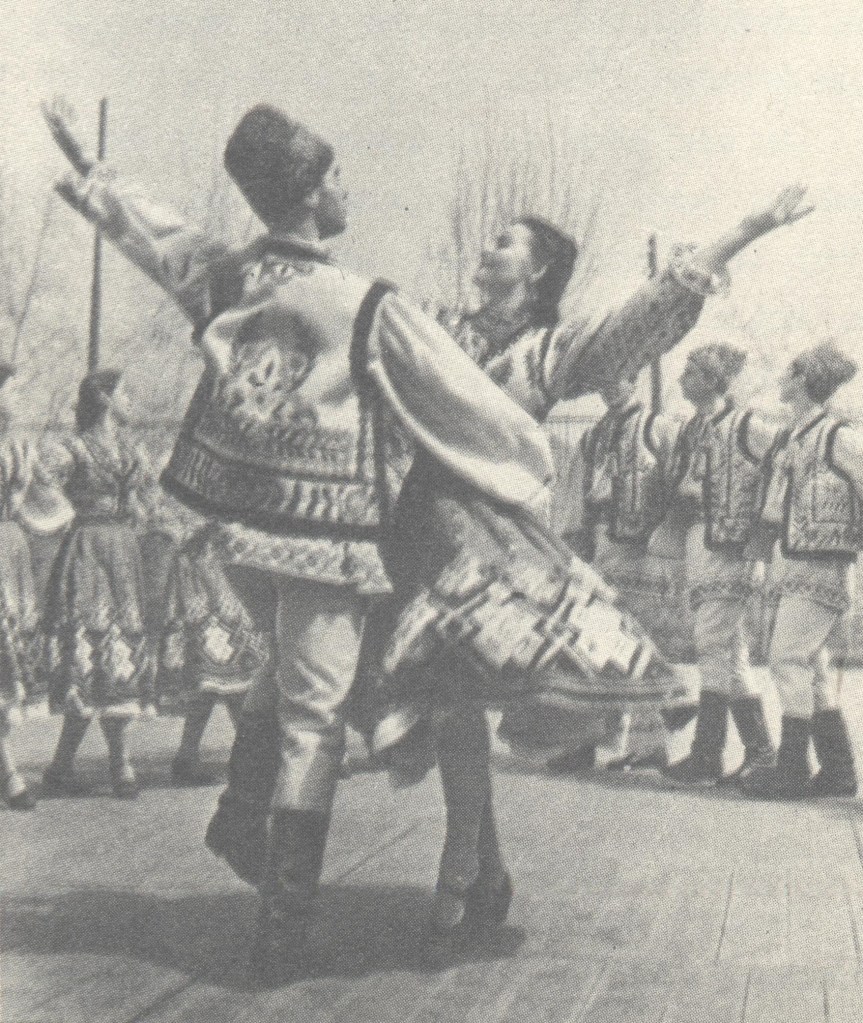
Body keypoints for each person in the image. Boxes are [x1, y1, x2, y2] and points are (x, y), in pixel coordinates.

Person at [42, 98, 556, 981]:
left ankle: (242, 821)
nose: (348, 189)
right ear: (313, 192)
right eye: (339, 176)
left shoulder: (232, 276)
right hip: (324, 542)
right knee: (314, 722)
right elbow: (467, 401)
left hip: (238, 531)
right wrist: (526, 469)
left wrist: (95, 176)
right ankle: (280, 927)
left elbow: (158, 238)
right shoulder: (366, 303)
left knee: (281, 675)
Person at [373, 192, 813, 938]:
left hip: (487, 543)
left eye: (505, 243)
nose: (487, 250)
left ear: (537, 271)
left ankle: (462, 860)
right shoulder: (434, 328)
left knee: (458, 700)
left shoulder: (548, 352)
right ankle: (483, 868)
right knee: (440, 704)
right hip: (409, 533)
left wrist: (749, 226)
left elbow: (642, 313)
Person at [545, 371, 690, 774]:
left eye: (620, 377)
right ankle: (587, 741)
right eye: (605, 380)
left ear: (636, 379)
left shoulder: (659, 428)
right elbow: (575, 496)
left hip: (647, 551)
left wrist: (669, 544)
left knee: (642, 645)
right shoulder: (593, 437)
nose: (611, 386)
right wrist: (575, 545)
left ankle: (650, 744)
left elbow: (681, 489)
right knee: (597, 643)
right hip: (603, 546)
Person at [657, 345, 782, 786]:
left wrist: (762, 537)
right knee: (728, 650)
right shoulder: (691, 427)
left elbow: (785, 465)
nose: (681, 380)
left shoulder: (748, 425)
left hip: (732, 547)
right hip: (699, 541)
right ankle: (759, 751)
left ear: (713, 380)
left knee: (713, 643)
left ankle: (707, 754)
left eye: (691, 373)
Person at [743, 342, 862, 800]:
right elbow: (774, 506)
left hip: (822, 568)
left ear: (804, 380)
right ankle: (838, 771)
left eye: (789, 372)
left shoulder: (838, 436)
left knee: (787, 659)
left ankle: (792, 770)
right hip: (792, 563)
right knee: (810, 666)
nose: (782, 379)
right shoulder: (793, 436)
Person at [41, 371, 157, 799]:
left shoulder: (132, 450)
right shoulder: (71, 448)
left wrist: (151, 518)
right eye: (125, 393)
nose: (131, 401)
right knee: (90, 649)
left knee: (119, 651)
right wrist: (61, 516)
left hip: (123, 553)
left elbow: (148, 501)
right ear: (105, 398)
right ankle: (118, 763)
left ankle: (66, 765)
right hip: (86, 550)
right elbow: (40, 485)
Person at [158, 520, 272, 785]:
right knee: (225, 692)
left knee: (225, 693)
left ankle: (193, 758)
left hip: (216, 617)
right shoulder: (202, 547)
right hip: (214, 618)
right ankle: (244, 761)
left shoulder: (198, 548)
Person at [0, 365, 51, 810]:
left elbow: (45, 503)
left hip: (10, 551)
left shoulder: (19, 447)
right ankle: (10, 773)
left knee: (8, 661)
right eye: (11, 391)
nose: (17, 400)